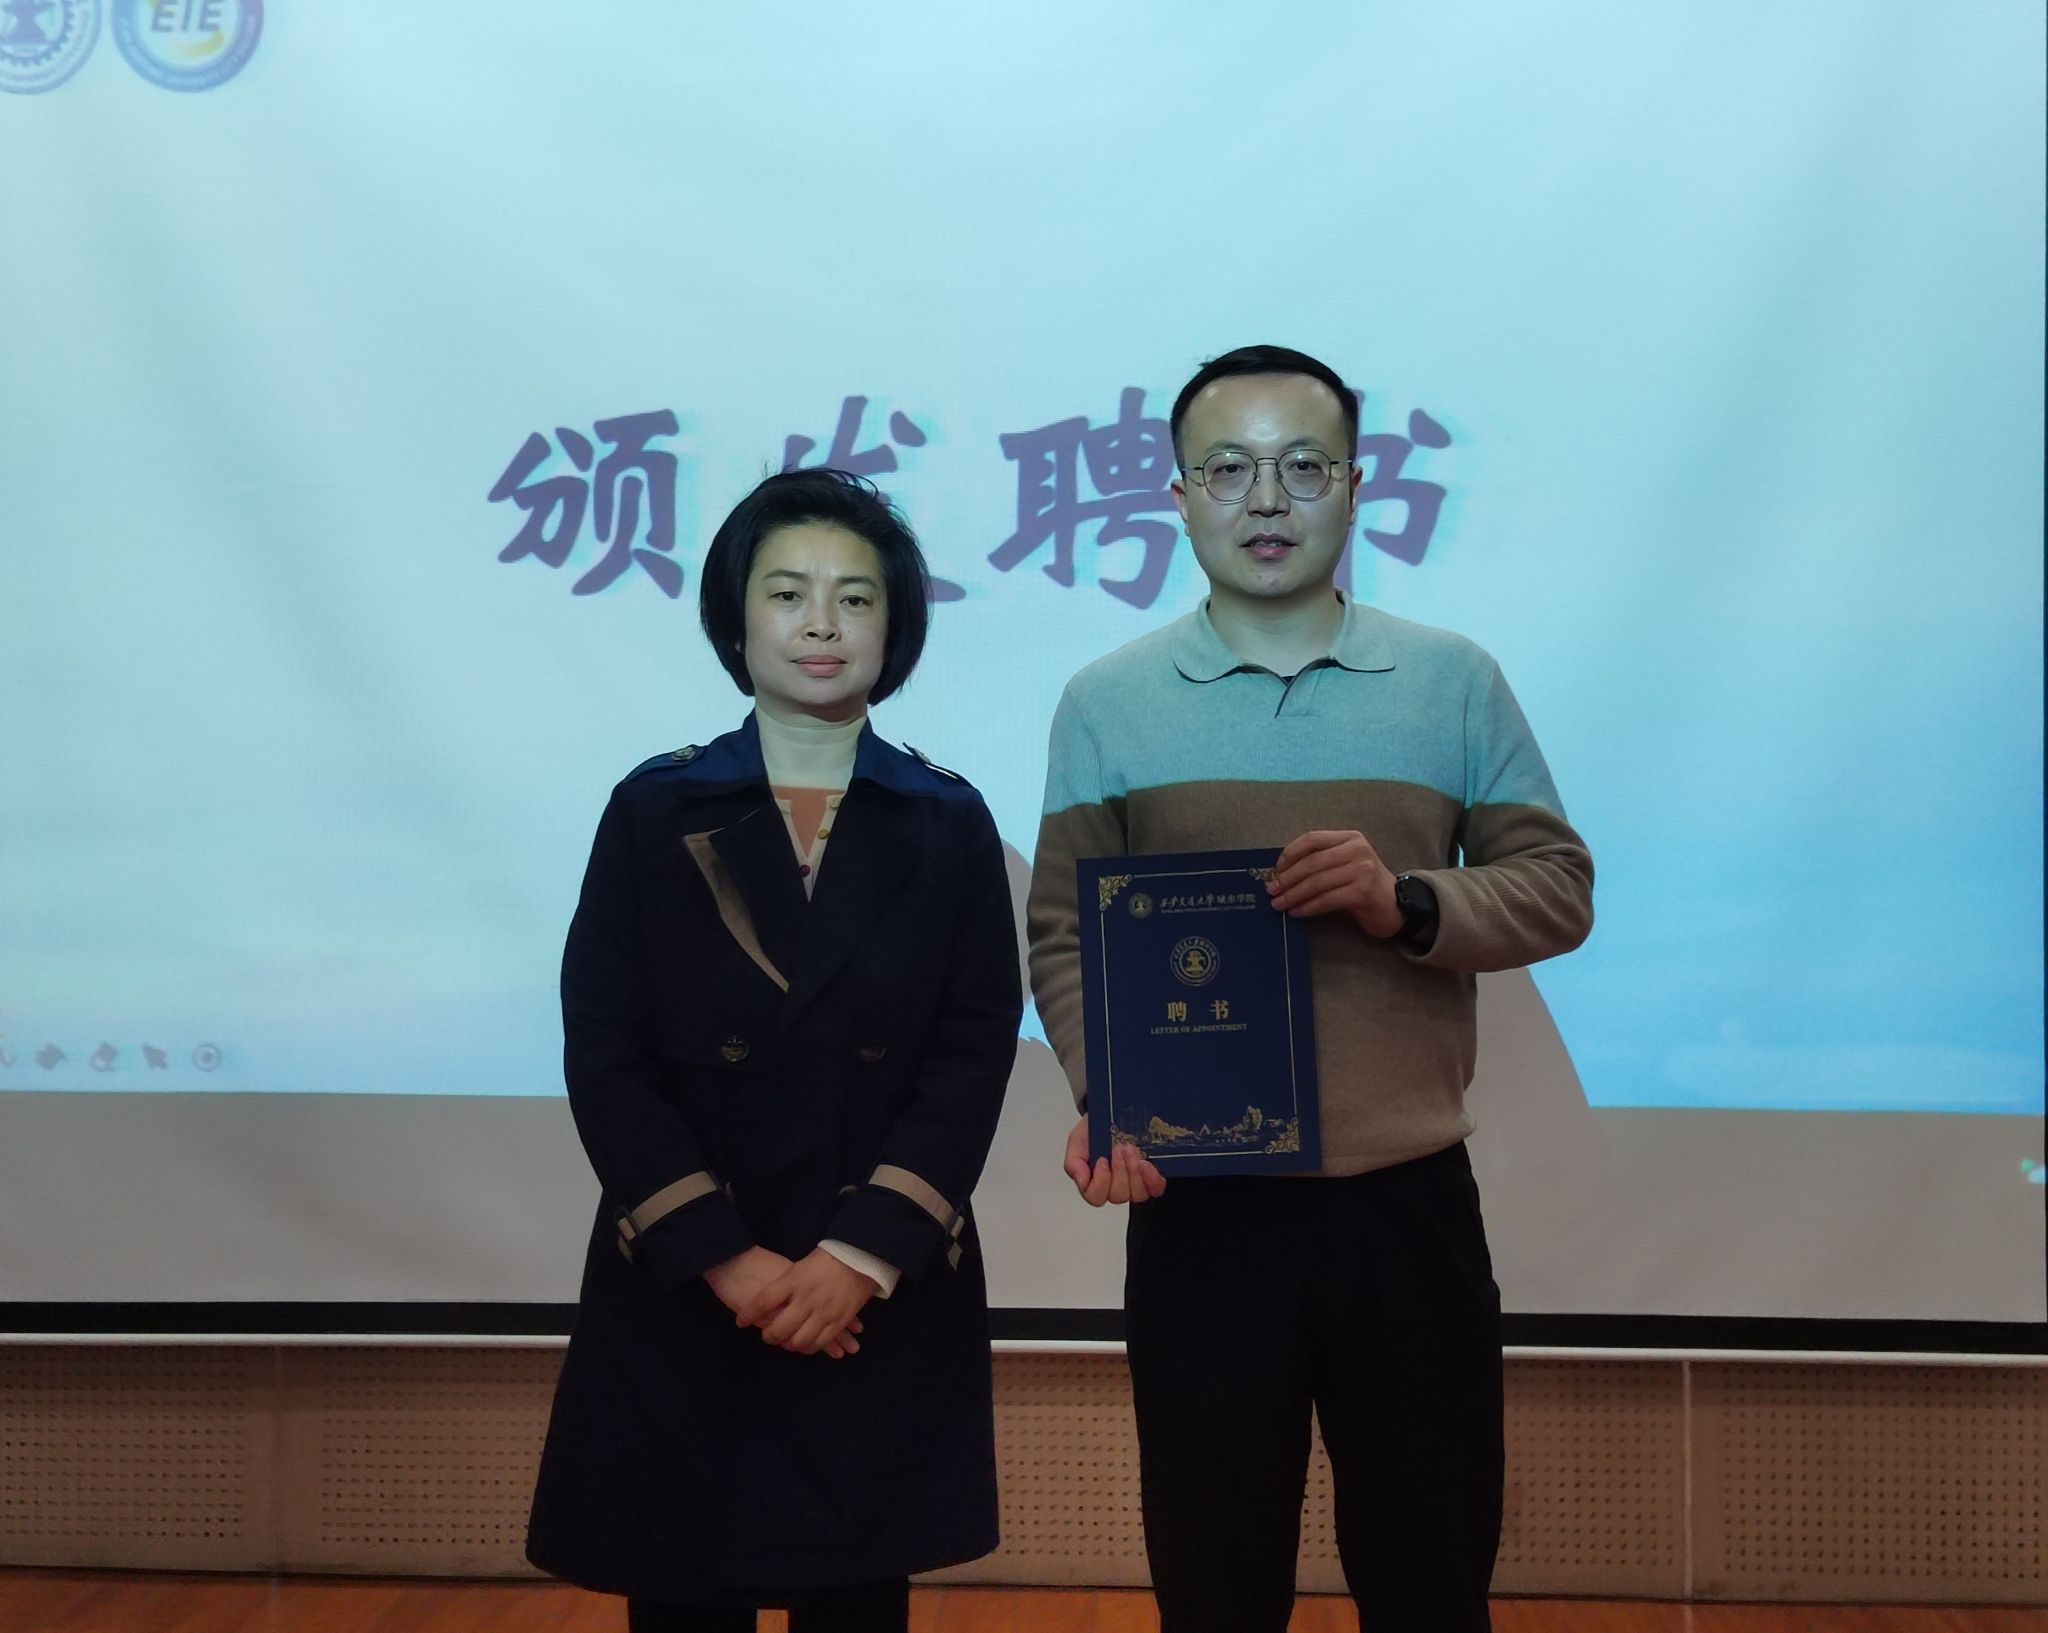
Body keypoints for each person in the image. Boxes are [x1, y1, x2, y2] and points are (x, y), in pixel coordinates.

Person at [1027, 345, 1595, 1632]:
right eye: (1227, 470)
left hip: (1406, 1205)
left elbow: (1557, 887)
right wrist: (1109, 1090)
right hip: (1199, 1209)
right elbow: (1061, 933)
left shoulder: (1450, 680)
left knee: (1429, 1573)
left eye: (1302, 465)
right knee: (1213, 1580)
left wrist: (1405, 901)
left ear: (1355, 484)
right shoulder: (1107, 703)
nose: (1266, 500)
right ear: (1177, 497)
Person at [527, 468, 1022, 1633]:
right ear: (735, 618)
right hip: (691, 1284)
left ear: (894, 628)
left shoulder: (946, 819)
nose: (819, 623)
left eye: (854, 598)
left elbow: (970, 1053)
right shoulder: (654, 810)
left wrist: (856, 1256)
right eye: (787, 593)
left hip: (870, 1292)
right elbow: (606, 1051)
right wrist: (729, 1262)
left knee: (856, 1598)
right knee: (681, 1594)